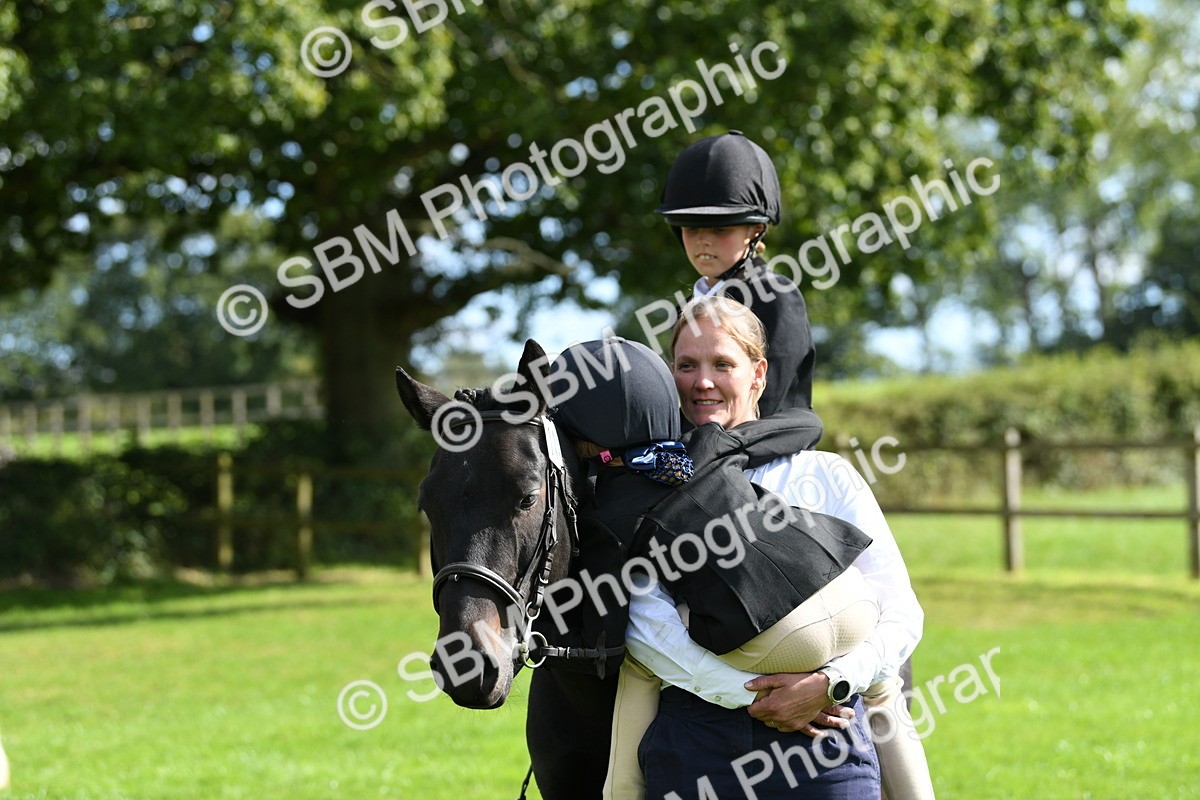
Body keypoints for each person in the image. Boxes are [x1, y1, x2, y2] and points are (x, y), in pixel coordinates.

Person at [547, 337, 886, 799]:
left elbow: (609, 634)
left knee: (639, 662)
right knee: (887, 695)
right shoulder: (705, 446)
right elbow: (800, 424)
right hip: (852, 596)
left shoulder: (609, 517)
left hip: (785, 639)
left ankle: (619, 793)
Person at [624, 295, 934, 800]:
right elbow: (646, 622)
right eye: (686, 365)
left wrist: (830, 683)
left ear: (759, 374)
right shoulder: (652, 485)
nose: (702, 381)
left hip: (828, 740)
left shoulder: (826, 475)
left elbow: (900, 610)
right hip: (699, 743)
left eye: (723, 364)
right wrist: (750, 696)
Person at [656, 130, 815, 416]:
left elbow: (766, 403)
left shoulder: (776, 297)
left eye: (720, 229)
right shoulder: (685, 308)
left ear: (755, 231)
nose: (704, 241)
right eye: (691, 228)